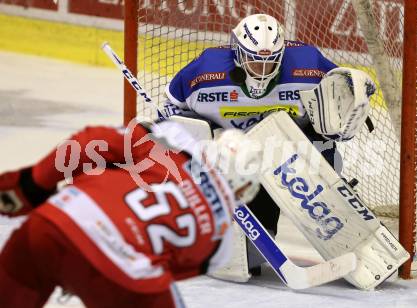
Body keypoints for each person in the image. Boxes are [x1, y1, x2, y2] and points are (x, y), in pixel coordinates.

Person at [161, 13, 374, 277]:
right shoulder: (206, 72)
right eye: (254, 62)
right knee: (245, 258)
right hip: (238, 164)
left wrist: (350, 108)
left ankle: (352, 236)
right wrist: (198, 137)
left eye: (270, 62)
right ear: (238, 53)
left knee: (327, 158)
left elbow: (342, 91)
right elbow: (170, 106)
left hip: (293, 155)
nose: (262, 70)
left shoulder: (307, 64)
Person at [0, 119, 261, 308]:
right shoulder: (221, 242)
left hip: (55, 221)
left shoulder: (170, 143)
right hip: (122, 273)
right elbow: (165, 269)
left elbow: (88, 142)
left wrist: (33, 182)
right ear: (246, 187)